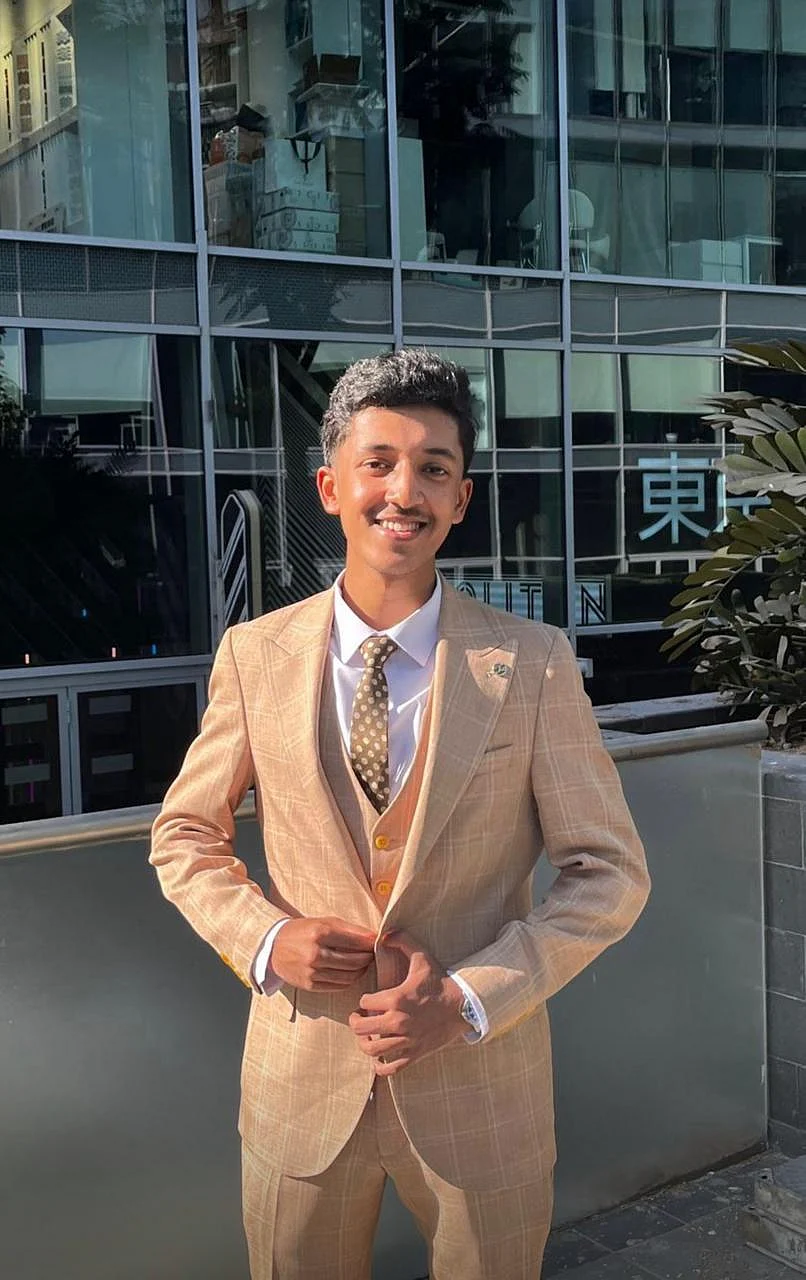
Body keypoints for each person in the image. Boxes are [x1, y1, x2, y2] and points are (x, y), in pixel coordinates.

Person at [150, 348, 650, 1280]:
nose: (403, 492)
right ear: (330, 486)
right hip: (301, 1081)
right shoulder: (255, 655)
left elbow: (609, 875)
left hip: (482, 1090)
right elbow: (184, 835)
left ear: (462, 499)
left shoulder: (533, 663)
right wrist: (268, 939)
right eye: (377, 463)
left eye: (434, 468)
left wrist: (468, 999)